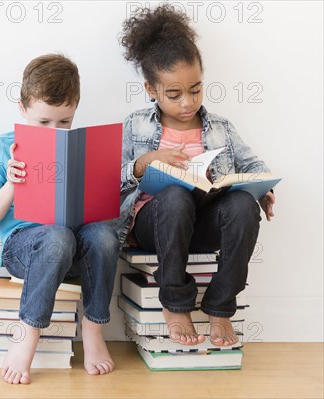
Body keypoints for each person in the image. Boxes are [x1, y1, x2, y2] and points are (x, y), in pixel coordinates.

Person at [117, 5, 276, 346]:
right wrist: (144, 162)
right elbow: (108, 183)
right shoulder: (135, 125)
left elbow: (252, 167)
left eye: (195, 89)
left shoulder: (220, 127)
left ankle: (220, 308)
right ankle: (175, 302)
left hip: (202, 223)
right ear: (151, 89)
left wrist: (262, 191)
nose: (187, 102)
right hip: (156, 225)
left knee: (243, 206)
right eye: (174, 94)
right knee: (174, 197)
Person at [0, 54, 119, 384]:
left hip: (74, 245)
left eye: (64, 122)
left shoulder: (81, 146)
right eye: (44, 123)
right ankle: (27, 334)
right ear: (22, 108)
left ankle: (94, 328)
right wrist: (13, 184)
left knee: (104, 235)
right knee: (57, 237)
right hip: (26, 248)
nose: (55, 131)